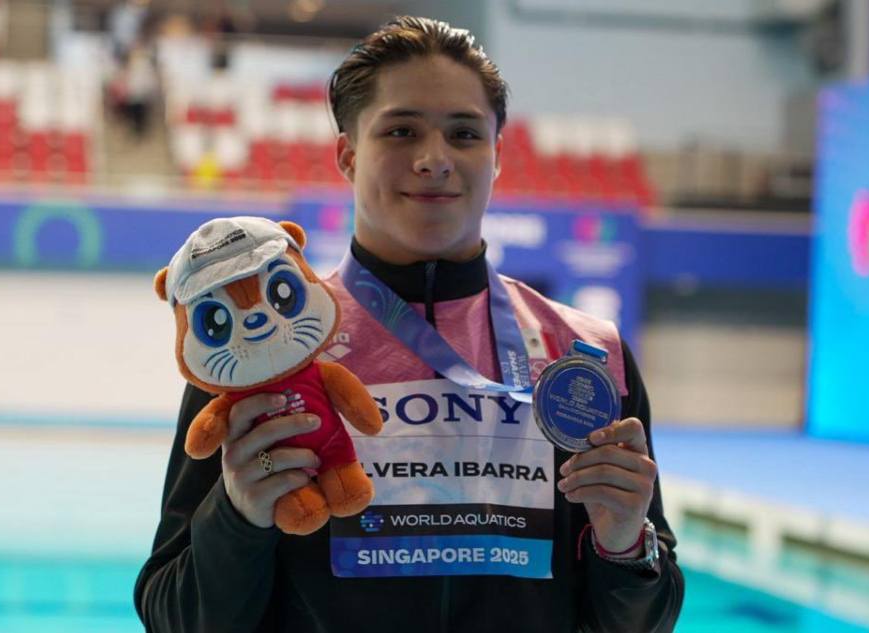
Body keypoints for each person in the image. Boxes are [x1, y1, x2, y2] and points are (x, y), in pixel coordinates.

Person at [134, 16, 684, 633]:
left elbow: (642, 623)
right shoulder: (266, 349)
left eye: (464, 134)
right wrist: (235, 518)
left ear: (497, 157)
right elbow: (173, 616)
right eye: (401, 131)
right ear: (347, 155)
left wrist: (624, 546)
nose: (434, 160)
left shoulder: (585, 356)